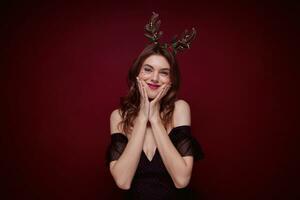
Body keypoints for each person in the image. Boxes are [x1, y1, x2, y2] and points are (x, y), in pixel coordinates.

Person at [105, 12, 204, 200]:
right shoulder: (119, 116)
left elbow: (181, 180)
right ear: (137, 74)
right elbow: (123, 182)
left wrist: (155, 119)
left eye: (164, 72)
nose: (155, 78)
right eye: (148, 69)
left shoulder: (180, 109)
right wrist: (143, 117)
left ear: (171, 80)